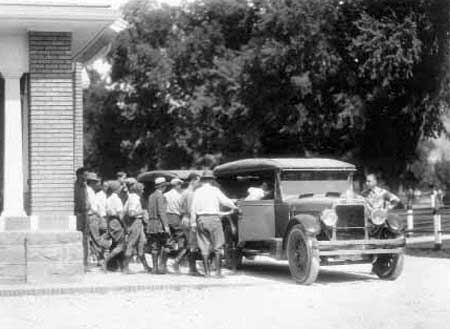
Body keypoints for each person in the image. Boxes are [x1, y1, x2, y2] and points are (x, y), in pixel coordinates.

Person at [191, 170, 237, 277]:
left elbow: (193, 208)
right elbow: (225, 201)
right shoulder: (215, 190)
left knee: (204, 246)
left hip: (201, 219)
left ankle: (207, 273)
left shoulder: (197, 192)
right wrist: (235, 207)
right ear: (211, 180)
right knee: (218, 246)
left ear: (202, 181)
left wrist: (193, 223)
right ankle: (218, 273)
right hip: (214, 219)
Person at [123, 182, 152, 273]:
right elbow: (131, 213)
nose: (143, 191)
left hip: (138, 223)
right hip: (135, 222)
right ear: (138, 190)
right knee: (131, 244)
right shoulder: (134, 199)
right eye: (142, 189)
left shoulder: (133, 197)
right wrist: (142, 212)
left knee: (141, 243)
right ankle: (125, 267)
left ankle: (146, 266)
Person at [146, 177, 171, 274]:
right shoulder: (160, 196)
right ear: (163, 186)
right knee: (166, 244)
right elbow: (161, 211)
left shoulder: (151, 196)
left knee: (154, 245)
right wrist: (166, 226)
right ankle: (162, 267)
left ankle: (155, 268)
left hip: (151, 223)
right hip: (159, 223)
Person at [180, 172, 202, 276]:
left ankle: (180, 261)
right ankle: (192, 269)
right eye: (198, 180)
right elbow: (191, 209)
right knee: (193, 244)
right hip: (190, 219)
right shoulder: (192, 193)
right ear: (193, 180)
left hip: (184, 218)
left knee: (190, 243)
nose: (199, 183)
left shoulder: (184, 192)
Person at [164, 177, 186, 273]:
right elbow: (182, 210)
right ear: (177, 185)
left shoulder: (165, 195)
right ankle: (177, 261)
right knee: (183, 239)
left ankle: (163, 264)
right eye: (180, 184)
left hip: (166, 217)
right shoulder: (180, 196)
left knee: (168, 241)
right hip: (176, 218)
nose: (181, 186)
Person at [103, 180, 126, 272]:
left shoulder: (108, 199)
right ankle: (106, 262)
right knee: (121, 245)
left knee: (115, 244)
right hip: (116, 222)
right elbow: (120, 214)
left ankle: (117, 265)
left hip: (110, 221)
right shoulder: (117, 199)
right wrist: (125, 225)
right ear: (116, 189)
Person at [85, 172, 104, 266]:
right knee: (96, 238)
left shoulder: (88, 190)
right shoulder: (90, 191)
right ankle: (101, 259)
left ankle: (91, 259)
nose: (97, 184)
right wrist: (99, 215)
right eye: (95, 182)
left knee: (91, 239)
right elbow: (93, 207)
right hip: (92, 216)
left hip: (89, 216)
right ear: (91, 182)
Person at [74, 167, 89, 269]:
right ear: (79, 175)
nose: (86, 177)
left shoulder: (84, 187)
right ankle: (79, 263)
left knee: (85, 239)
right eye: (85, 175)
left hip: (85, 214)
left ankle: (85, 263)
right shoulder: (74, 187)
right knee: (79, 238)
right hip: (78, 215)